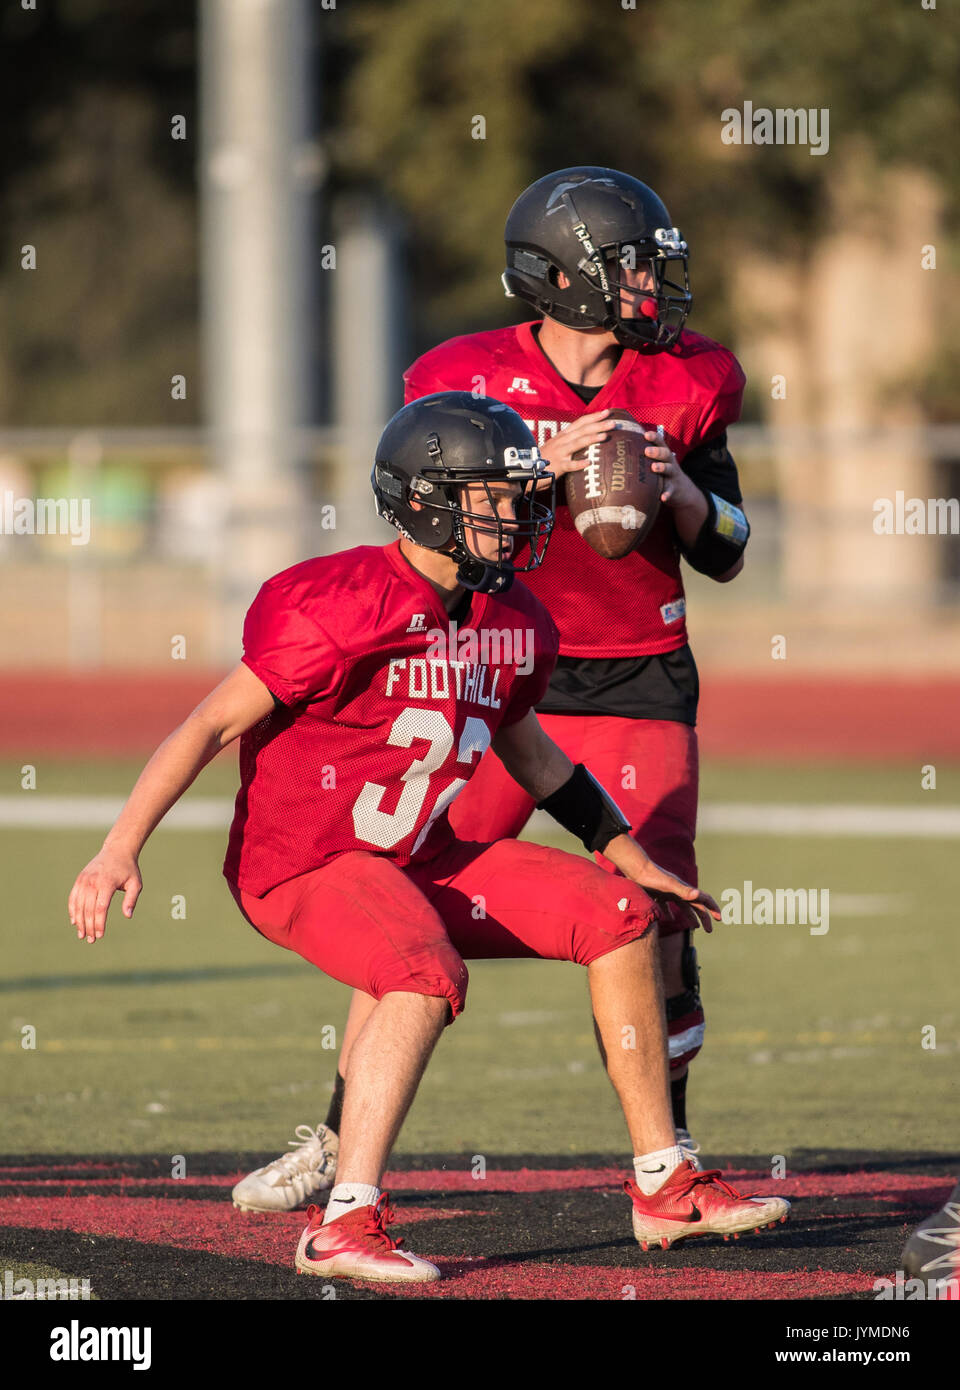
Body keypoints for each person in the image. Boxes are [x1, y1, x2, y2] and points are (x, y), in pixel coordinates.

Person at [69, 393, 787, 1282]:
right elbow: (210, 725)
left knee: (622, 915)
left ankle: (662, 1183)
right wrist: (118, 846)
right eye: (493, 494)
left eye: (521, 492)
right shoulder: (338, 602)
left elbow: (532, 752)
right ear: (426, 500)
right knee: (420, 972)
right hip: (306, 864)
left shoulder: (510, 617)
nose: (520, 513)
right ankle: (343, 1222)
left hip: (418, 857)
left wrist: (623, 849)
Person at [235, 166, 751, 1216]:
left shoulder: (690, 381)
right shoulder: (462, 378)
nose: (657, 286)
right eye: (635, 268)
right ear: (561, 282)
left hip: (635, 670)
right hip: (495, 665)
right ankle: (343, 1138)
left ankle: (670, 1154)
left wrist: (677, 485)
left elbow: (732, 547)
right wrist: (526, 463)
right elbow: (419, 502)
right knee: (396, 886)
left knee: (654, 915)